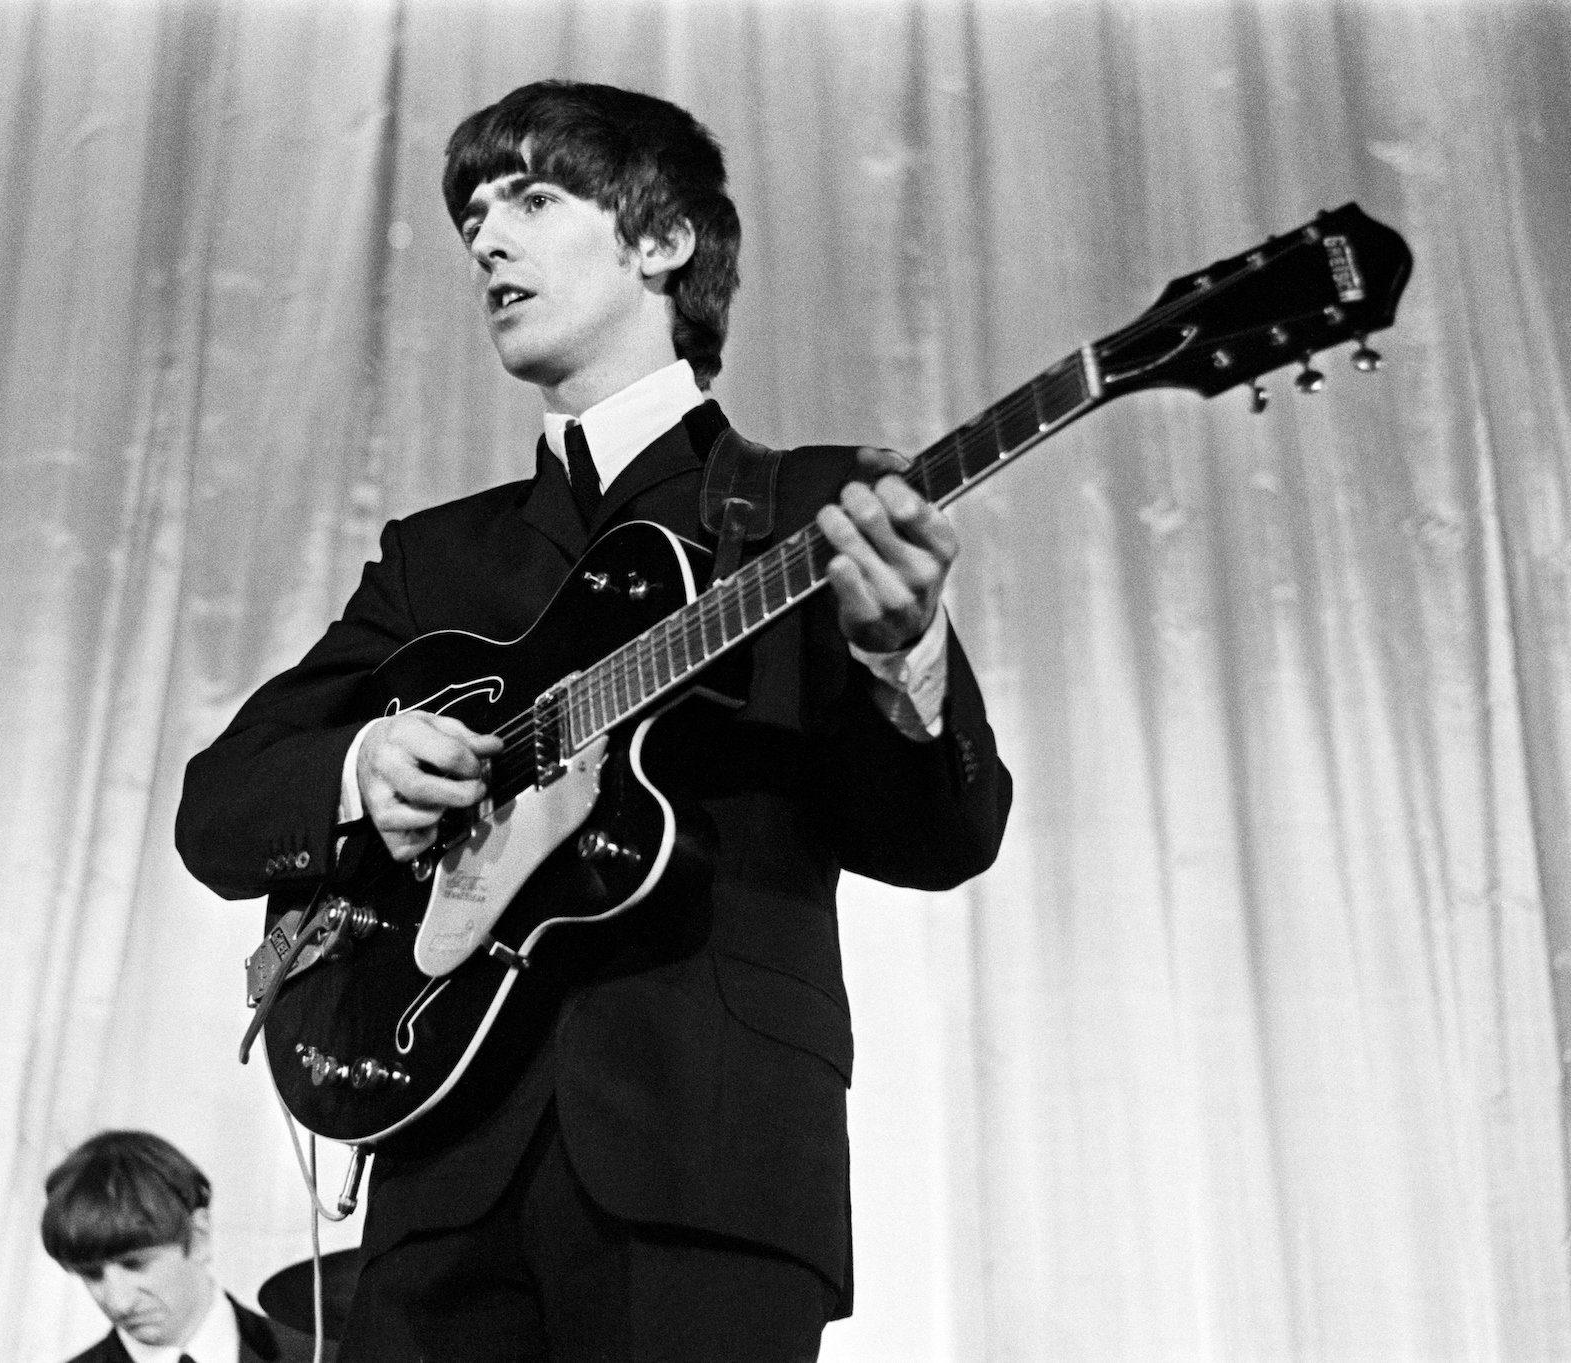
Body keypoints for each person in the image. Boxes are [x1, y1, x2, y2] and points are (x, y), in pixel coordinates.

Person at [175, 80, 1011, 1361]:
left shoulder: (814, 508)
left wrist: (904, 659)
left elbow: (940, 837)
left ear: (662, 241)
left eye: (532, 198)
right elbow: (218, 806)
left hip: (706, 1170)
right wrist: (363, 764)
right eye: (471, 216)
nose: (484, 238)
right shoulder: (437, 562)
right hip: (436, 1171)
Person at [43, 1130, 321, 1363]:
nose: (120, 1303)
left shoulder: (327, 1356)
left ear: (198, 1236)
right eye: (92, 1274)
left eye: (134, 1263)